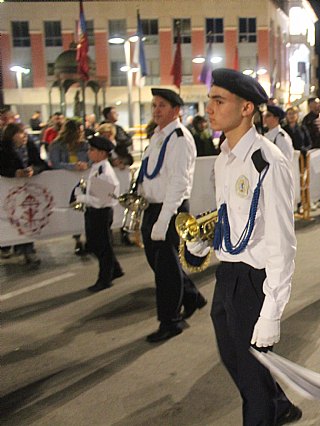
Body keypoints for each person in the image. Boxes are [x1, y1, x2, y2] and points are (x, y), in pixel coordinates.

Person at [196, 68, 301, 425]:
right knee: (235, 362)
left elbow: (282, 243)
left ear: (246, 109)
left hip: (255, 281)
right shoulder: (225, 156)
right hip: (227, 275)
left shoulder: (267, 160)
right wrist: (205, 242)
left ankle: (268, 409)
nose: (209, 107)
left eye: (219, 100)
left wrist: (272, 310)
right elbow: (233, 219)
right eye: (210, 99)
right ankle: (279, 404)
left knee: (252, 384)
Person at [138, 88, 207, 343]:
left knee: (165, 271)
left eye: (162, 106)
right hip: (152, 207)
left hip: (170, 208)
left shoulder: (179, 138)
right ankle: (191, 296)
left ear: (176, 110)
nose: (156, 110)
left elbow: (179, 183)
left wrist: (164, 219)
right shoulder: (157, 136)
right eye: (154, 105)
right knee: (158, 263)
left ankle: (170, 321)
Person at [73, 136, 125, 291]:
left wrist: (81, 198)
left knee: (102, 247)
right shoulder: (97, 167)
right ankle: (114, 269)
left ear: (102, 153)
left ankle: (105, 278)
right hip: (94, 211)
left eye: (92, 150)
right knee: (97, 245)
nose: (89, 152)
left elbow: (101, 200)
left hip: (100, 212)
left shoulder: (104, 171)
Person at [0, 123, 48, 264]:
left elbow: (41, 164)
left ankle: (28, 249)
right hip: (8, 189)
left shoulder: (30, 147)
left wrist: (34, 170)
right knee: (11, 217)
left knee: (27, 218)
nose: (25, 136)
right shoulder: (3, 148)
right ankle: (8, 245)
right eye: (21, 133)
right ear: (12, 135)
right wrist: (15, 173)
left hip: (28, 189)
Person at [49, 118, 90, 255]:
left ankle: (89, 238)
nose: (81, 134)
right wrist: (73, 167)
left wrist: (86, 165)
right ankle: (77, 239)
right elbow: (55, 163)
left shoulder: (85, 145)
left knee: (86, 209)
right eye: (79, 131)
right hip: (66, 183)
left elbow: (91, 159)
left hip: (83, 181)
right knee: (73, 210)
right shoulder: (56, 145)